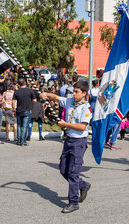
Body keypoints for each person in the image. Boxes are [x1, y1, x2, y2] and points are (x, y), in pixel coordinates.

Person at [39, 80, 92, 214]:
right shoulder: (70, 102)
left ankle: (73, 202)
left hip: (78, 142)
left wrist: (65, 125)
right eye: (73, 91)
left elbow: (82, 127)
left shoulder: (86, 107)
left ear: (84, 93)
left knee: (73, 173)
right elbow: (56, 97)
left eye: (76, 92)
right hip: (68, 141)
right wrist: (46, 94)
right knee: (63, 170)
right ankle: (83, 185)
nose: (73, 94)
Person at [12, 78, 36, 146]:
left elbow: (13, 102)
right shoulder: (30, 91)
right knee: (25, 126)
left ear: (19, 84)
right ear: (25, 83)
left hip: (19, 110)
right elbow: (34, 100)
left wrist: (14, 110)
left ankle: (19, 140)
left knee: (19, 125)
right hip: (27, 110)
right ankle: (23, 141)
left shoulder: (16, 91)